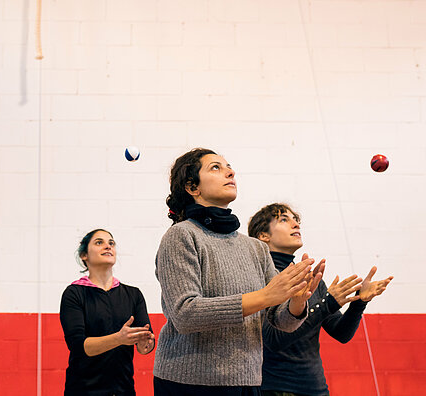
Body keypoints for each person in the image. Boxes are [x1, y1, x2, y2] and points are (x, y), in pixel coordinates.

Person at [153, 148, 324, 396]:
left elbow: (281, 321)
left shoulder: (254, 247)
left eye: (229, 167)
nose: (230, 172)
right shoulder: (181, 236)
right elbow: (185, 314)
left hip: (248, 381)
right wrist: (266, 296)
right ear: (193, 187)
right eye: (216, 167)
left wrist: (296, 303)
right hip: (189, 383)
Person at [247, 203, 393, 396]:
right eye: (284, 219)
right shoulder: (258, 277)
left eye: (296, 220)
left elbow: (341, 333)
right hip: (274, 389)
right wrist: (327, 305)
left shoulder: (310, 279)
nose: (295, 224)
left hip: (315, 388)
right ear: (263, 236)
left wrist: (359, 303)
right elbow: (274, 340)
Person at [60, 229, 155, 396]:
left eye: (111, 243)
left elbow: (145, 346)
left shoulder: (133, 294)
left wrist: (145, 343)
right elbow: (78, 347)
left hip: (123, 390)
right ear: (84, 256)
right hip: (84, 390)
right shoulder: (74, 293)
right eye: (99, 242)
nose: (108, 246)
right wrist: (119, 338)